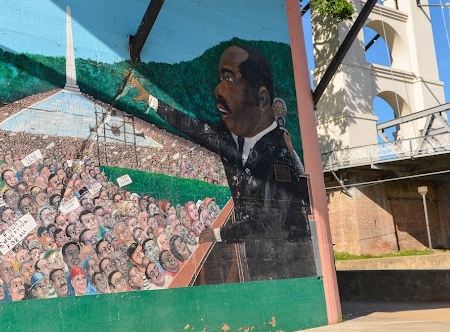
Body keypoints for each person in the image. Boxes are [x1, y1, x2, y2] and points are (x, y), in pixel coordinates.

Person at [126, 45, 315, 281]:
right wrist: (152, 101)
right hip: (256, 263)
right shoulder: (232, 139)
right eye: (219, 79)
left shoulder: (279, 154)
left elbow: (270, 221)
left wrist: (217, 234)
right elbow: (191, 127)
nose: (217, 89)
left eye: (229, 78)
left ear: (263, 99)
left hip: (287, 269)